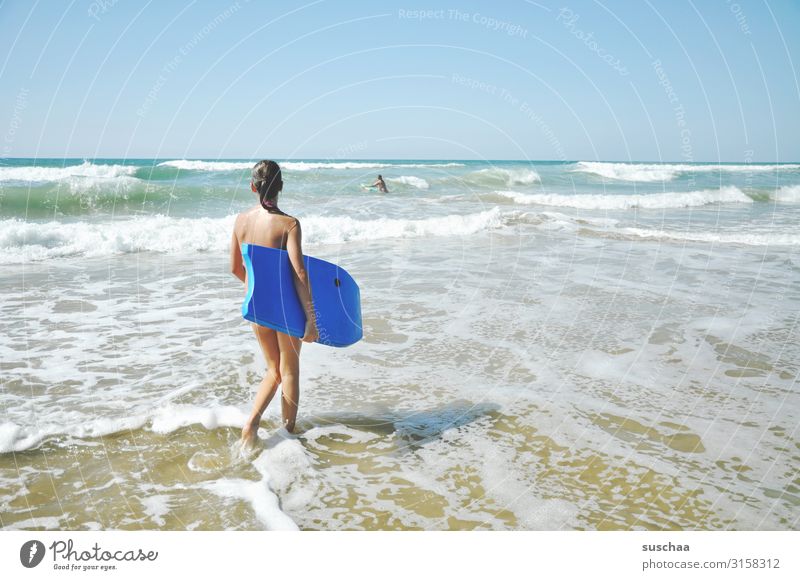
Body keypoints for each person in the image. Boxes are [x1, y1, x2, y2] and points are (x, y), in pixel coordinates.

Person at [230, 160, 319, 449]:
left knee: (273, 370)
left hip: (256, 305)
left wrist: (259, 291)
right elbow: (299, 272)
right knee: (289, 371)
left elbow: (235, 268)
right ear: (281, 186)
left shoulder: (240, 221)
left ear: (252, 186)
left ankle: (251, 423)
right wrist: (311, 319)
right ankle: (288, 436)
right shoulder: (289, 224)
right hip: (286, 307)